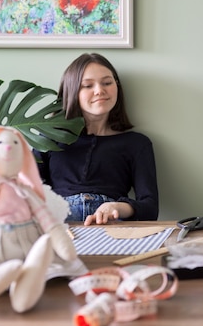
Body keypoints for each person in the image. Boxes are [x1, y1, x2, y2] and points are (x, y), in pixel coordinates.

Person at [35, 53, 159, 225]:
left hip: (110, 224)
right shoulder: (50, 137)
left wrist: (117, 207)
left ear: (117, 86)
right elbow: (27, 192)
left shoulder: (137, 143)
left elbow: (150, 208)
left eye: (107, 83)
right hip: (58, 223)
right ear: (72, 91)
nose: (99, 90)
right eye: (87, 85)